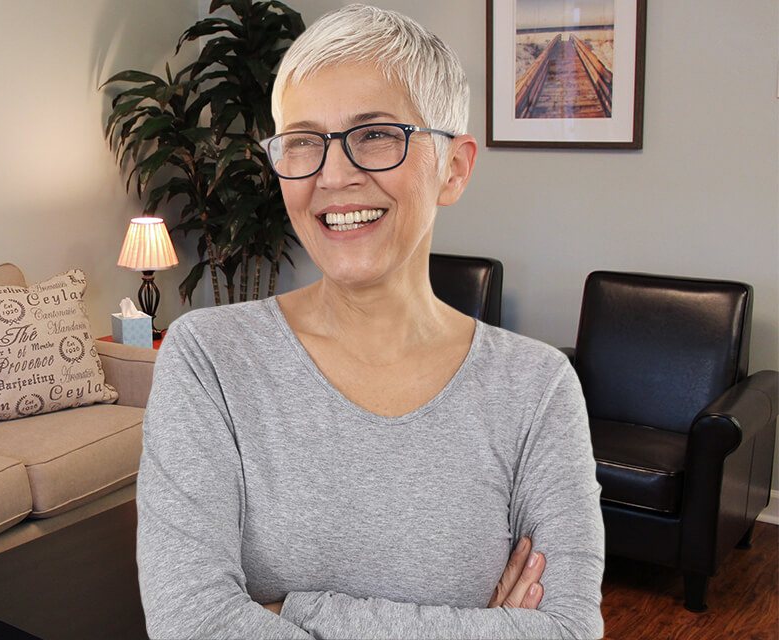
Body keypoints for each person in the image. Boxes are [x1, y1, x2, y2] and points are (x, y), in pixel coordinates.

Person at [135, 4, 605, 639]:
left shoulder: (537, 388)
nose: (333, 176)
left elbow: (570, 631)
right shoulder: (210, 359)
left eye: (377, 134)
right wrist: (476, 629)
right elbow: (191, 622)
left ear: (455, 167)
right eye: (302, 141)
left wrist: (299, 610)